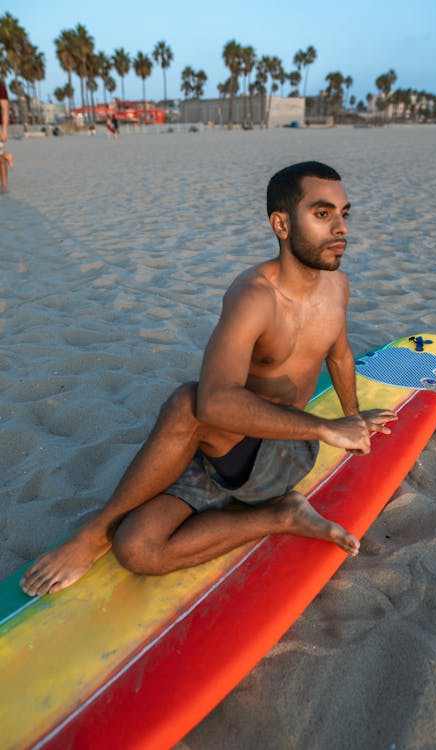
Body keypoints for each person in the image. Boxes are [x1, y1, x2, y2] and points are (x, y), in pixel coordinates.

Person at [20, 161, 397, 597]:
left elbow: (340, 354)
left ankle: (91, 536)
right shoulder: (254, 296)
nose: (340, 228)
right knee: (138, 549)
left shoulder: (338, 286)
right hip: (223, 454)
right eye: (322, 213)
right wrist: (329, 425)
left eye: (344, 213)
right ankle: (282, 517)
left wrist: (351, 418)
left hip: (282, 454)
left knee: (187, 403)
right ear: (281, 224)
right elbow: (217, 404)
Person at [0, 79, 14, 193]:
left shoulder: (0, 86)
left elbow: (5, 108)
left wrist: (4, 130)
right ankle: (6, 156)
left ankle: (4, 187)